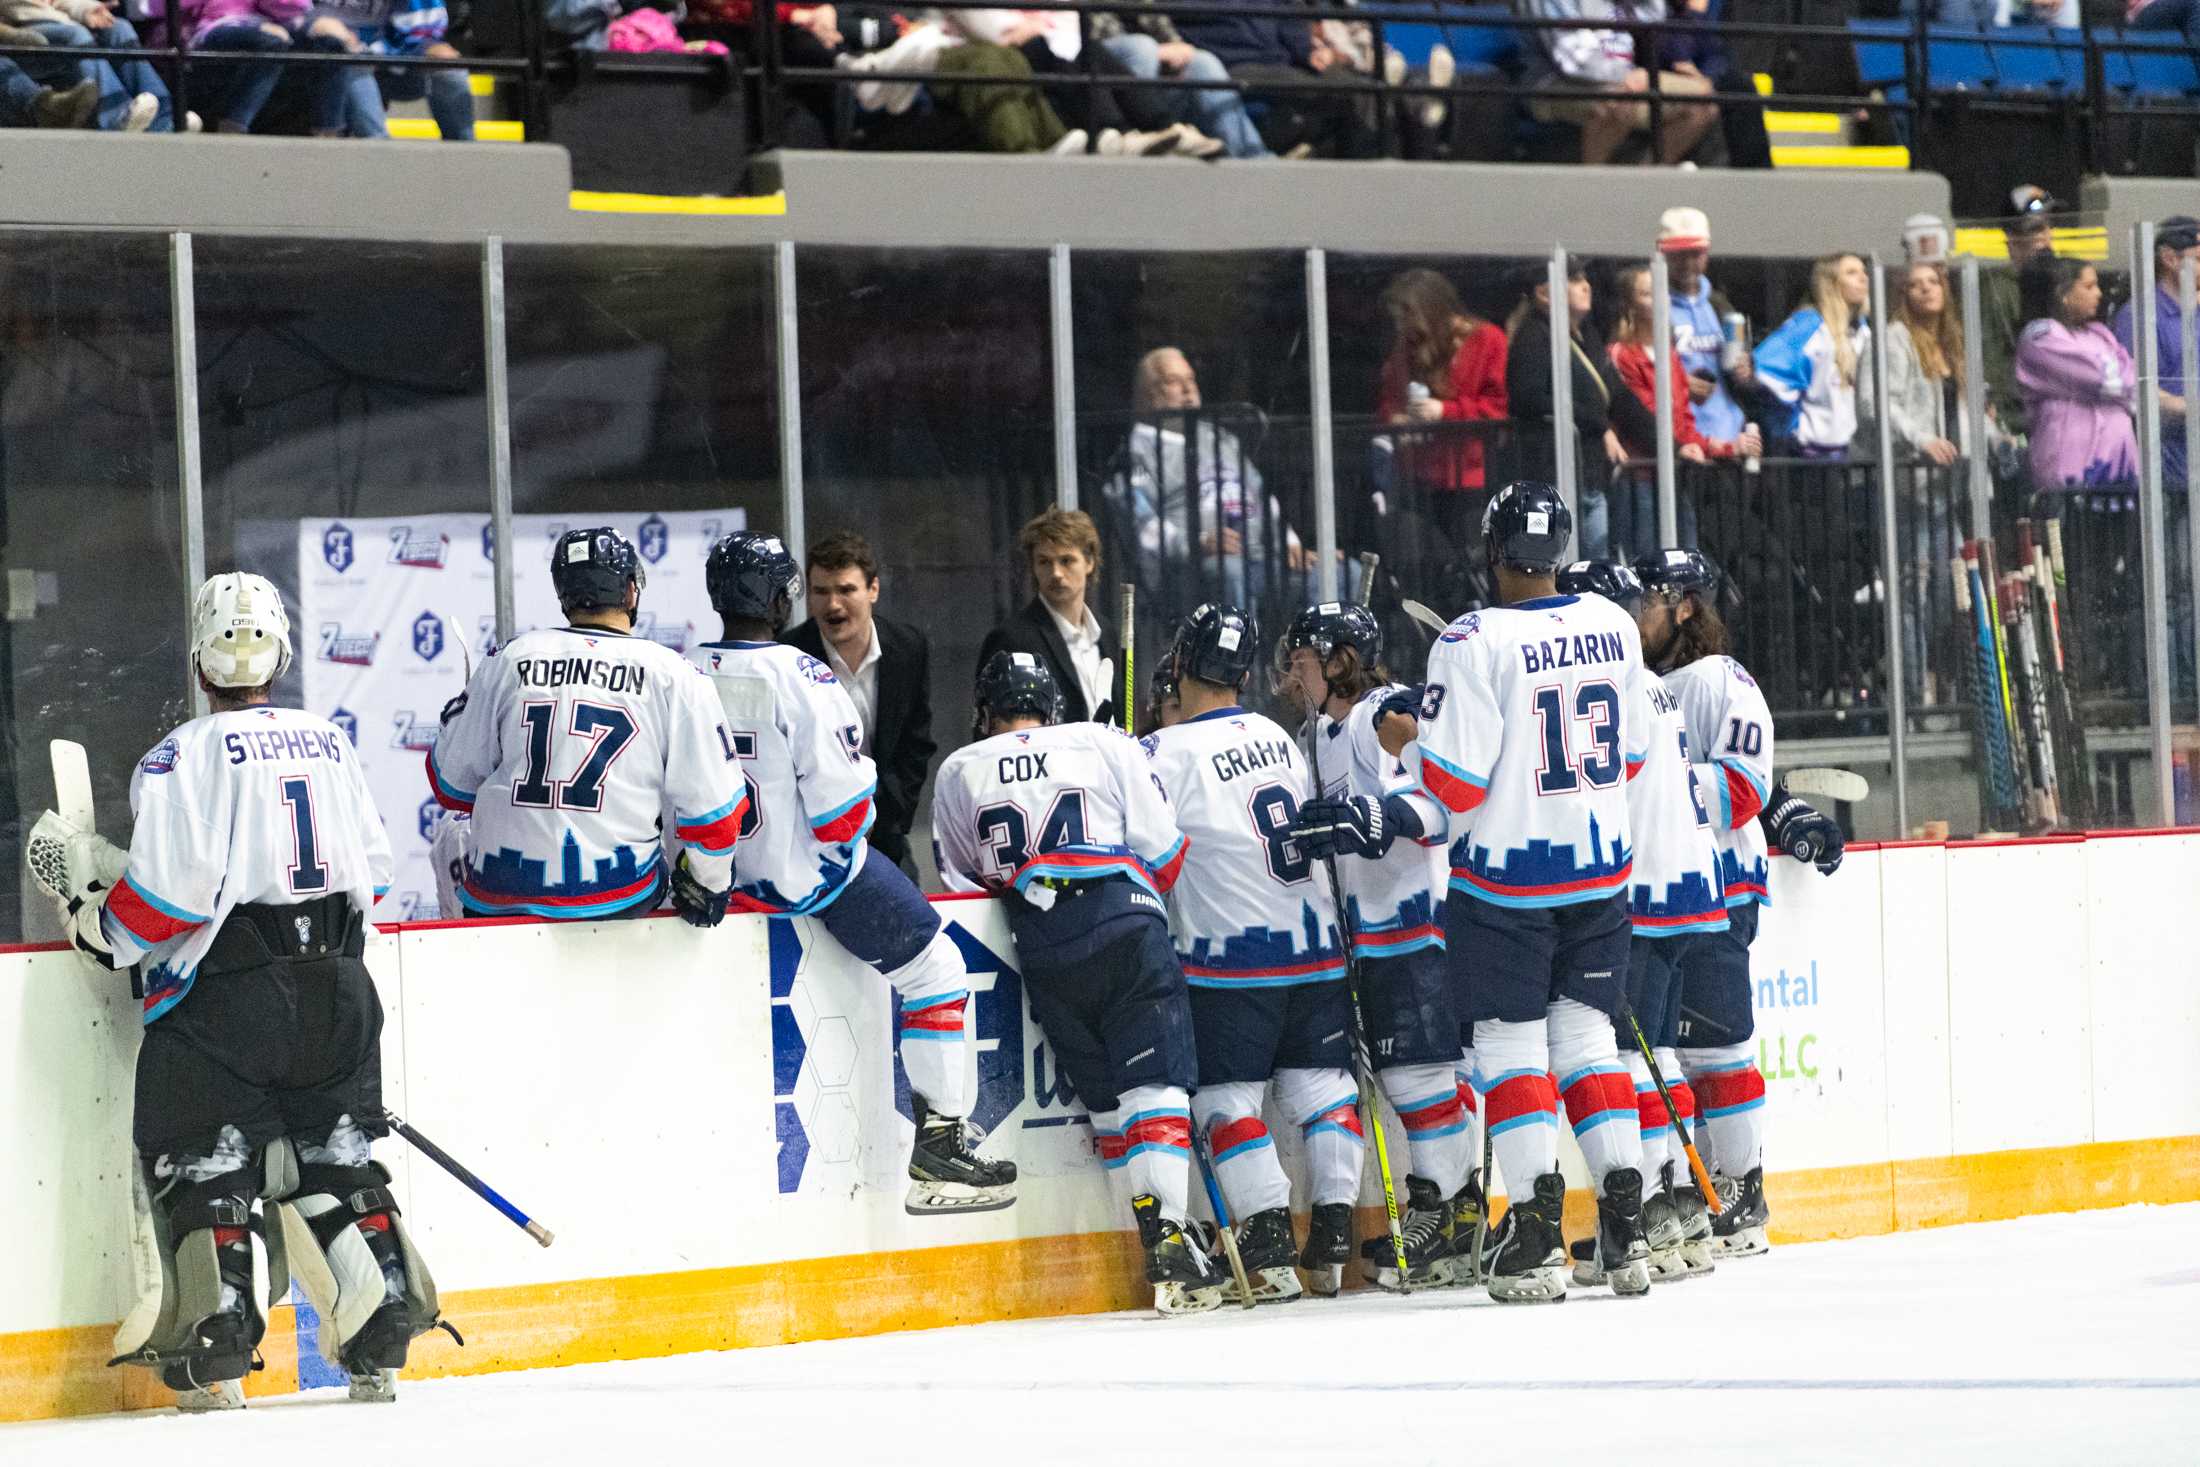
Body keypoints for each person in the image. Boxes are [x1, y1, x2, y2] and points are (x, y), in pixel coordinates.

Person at [54, 573, 445, 1410]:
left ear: (200, 663)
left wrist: (98, 927)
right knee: (335, 1157)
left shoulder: (181, 754)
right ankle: (381, 1310)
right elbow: (373, 872)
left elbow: (171, 897)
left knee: (210, 1164)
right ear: (285, 653)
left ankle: (219, 1333)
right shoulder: (330, 741)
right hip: (342, 987)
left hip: (229, 1000)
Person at [694, 533, 1018, 1216]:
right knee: (937, 968)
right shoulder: (804, 674)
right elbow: (844, 814)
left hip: (714, 883)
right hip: (808, 880)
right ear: (783, 598)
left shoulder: (681, 672)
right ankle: (939, 1148)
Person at [1387, 480, 1655, 1302]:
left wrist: (1408, 745)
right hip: (1603, 872)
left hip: (1507, 884)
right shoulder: (1613, 622)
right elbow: (1635, 754)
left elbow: (1457, 786)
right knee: (1586, 1045)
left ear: (1492, 551)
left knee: (1509, 1050)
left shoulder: (1470, 640)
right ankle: (1627, 1226)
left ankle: (1536, 1232)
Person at [933, 652, 1210, 1308]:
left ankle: (1152, 1238)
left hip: (1043, 947)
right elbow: (1167, 859)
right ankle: (1170, 1232)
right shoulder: (1102, 739)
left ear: (984, 709)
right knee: (1155, 1085)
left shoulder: (957, 769)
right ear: (1051, 704)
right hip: (1124, 922)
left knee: (1110, 1106)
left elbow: (964, 891)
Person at [1142, 603, 1362, 1301]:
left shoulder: (1162, 752)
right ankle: (1329, 1235)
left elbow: (1147, 856)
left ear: (1179, 665)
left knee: (1224, 1100)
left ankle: (1267, 1239)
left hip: (1227, 958)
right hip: (1316, 945)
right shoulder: (1275, 735)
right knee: (1324, 1092)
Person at [1632, 547, 1843, 1259]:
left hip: (1719, 885)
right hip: (1665, 889)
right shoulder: (1643, 686)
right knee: (1670, 1053)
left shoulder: (1723, 680)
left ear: (1686, 606)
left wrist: (1656, 788)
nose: (1636, 615)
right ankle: (1696, 1190)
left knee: (1716, 1047)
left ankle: (1744, 1189)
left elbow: (1744, 787)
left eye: (1649, 601)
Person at [1276, 603, 1475, 1290]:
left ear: (1338, 660)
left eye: (1303, 657)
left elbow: (1445, 801)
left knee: (1420, 1080)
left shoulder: (1378, 710)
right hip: (1376, 934)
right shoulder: (1317, 733)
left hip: (1416, 924)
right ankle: (1452, 1212)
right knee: (1413, 1080)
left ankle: (1447, 1215)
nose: (1291, 671)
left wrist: (1379, 814)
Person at [425, 527, 747, 923]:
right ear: (630, 591)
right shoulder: (674, 673)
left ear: (564, 594)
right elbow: (717, 816)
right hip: (617, 895)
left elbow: (451, 785)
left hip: (501, 893)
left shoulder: (509, 658)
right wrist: (707, 886)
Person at [1553, 558, 1721, 1283]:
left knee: (1623, 1057)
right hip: (1689, 891)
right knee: (1659, 1057)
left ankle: (1646, 1214)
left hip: (1644, 895)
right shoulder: (1651, 685)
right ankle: (1679, 1208)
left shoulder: (1611, 688)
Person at [1105, 346, 1313, 614]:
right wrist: (1198, 542)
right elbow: (1142, 524)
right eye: (1173, 381)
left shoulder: (1220, 438)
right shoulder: (1136, 450)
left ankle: (1325, 656)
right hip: (1191, 571)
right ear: (1147, 395)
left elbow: (1259, 494)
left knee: (1341, 573)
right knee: (1231, 572)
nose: (1188, 389)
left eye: (1190, 379)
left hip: (1259, 556)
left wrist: (1289, 541)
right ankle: (1239, 656)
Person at [781, 531, 937, 871]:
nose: (833, 604)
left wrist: (892, 817)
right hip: (810, 838)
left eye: (846, 590)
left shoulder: (908, 648)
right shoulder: (787, 656)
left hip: (885, 831)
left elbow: (917, 744)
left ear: (873, 590)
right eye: (821, 591)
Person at [1862, 261, 1967, 705]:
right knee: (1912, 591)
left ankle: (1947, 684)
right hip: (1910, 486)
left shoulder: (1952, 343)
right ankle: (1914, 690)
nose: (1926, 291)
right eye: (1915, 285)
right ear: (1902, 294)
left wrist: (2001, 441)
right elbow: (1876, 403)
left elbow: (1966, 410)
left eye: (1934, 282)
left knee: (1951, 589)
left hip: (1948, 490)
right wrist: (1921, 439)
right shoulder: (1892, 339)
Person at [1606, 262, 1763, 559]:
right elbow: (1642, 418)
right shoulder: (1622, 354)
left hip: (1675, 473)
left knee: (1686, 563)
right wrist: (1682, 448)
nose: (1658, 299)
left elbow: (1684, 420)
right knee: (1647, 564)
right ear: (1630, 305)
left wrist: (1725, 446)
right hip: (1642, 474)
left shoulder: (1669, 354)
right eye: (1646, 293)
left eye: (1659, 292)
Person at [1505, 258, 1646, 562]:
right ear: (1545, 293)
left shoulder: (1586, 336)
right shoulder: (1533, 336)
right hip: (1554, 471)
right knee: (1564, 559)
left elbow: (1618, 396)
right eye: (1574, 280)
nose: (1586, 286)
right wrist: (1598, 424)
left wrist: (1672, 444)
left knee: (1594, 557)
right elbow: (1527, 398)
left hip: (1589, 473)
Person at [1167, 0, 1377, 158]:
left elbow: (1288, 20)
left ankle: (1375, 164)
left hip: (1285, 65)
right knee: (1344, 93)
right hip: (1232, 66)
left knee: (1368, 89)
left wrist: (1309, 52)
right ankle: (1360, 171)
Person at [1514, 0, 1715, 165]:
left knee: (1703, 102)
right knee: (1619, 98)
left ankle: (1645, 179)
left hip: (1623, 78)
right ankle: (1591, 186)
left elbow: (1652, 18)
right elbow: (1573, 60)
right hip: (1552, 84)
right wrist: (1626, 77)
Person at [977, 507, 1121, 727]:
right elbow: (987, 727)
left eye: (1066, 560)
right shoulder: (1012, 638)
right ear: (1033, 567)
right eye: (1044, 561)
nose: (1056, 573)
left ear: (1089, 562)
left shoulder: (1106, 632)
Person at [2015, 256, 2139, 493]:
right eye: (2089, 286)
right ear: (2063, 293)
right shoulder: (2040, 337)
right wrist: (2111, 382)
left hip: (2120, 470)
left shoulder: (2100, 334)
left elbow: (2132, 381)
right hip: (2069, 473)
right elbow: (2100, 377)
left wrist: (2110, 383)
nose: (2099, 294)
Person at [2111, 214, 2199, 493]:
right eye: (2197, 259)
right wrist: (2189, 408)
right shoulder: (2141, 316)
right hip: (2168, 466)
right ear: (2170, 259)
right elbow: (2134, 386)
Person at [1753, 252, 1871, 460]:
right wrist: (1795, 428)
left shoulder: (1865, 332)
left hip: (1856, 456)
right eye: (1851, 273)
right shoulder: (1808, 326)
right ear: (1831, 283)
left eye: (1863, 271)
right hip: (1812, 457)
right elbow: (1765, 370)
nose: (1863, 278)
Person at [1658, 207, 1753, 449]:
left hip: (1730, 434)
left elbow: (1744, 366)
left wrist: (1746, 369)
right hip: (1683, 440)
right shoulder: (1653, 306)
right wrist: (1678, 385)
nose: (1688, 263)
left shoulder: (1721, 305)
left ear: (1707, 253)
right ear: (1663, 254)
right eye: (1679, 254)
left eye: (1696, 253)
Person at [8, 0, 172, 130]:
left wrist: (86, 10)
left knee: (119, 28)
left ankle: (166, 118)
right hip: (17, 31)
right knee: (76, 34)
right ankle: (114, 118)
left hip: (56, 19)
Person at [1983, 187, 2059, 440]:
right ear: (2012, 237)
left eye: (2046, 227)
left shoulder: (2064, 277)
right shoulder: (1997, 288)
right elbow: (1991, 356)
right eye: (2035, 229)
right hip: (2020, 415)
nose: (2045, 236)